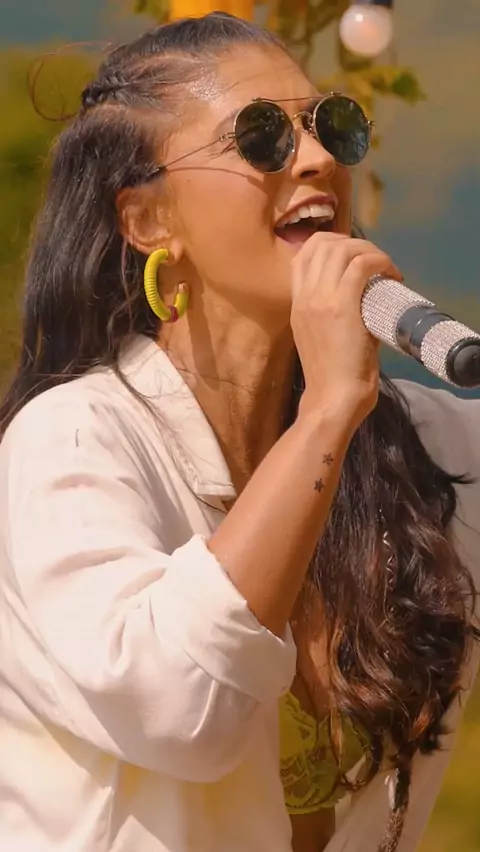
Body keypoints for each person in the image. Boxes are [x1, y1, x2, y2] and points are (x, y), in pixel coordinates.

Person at [0, 12, 478, 852]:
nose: (318, 158)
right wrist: (327, 409)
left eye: (331, 125)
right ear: (148, 221)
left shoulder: (423, 450)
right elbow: (183, 710)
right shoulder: (73, 442)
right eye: (260, 138)